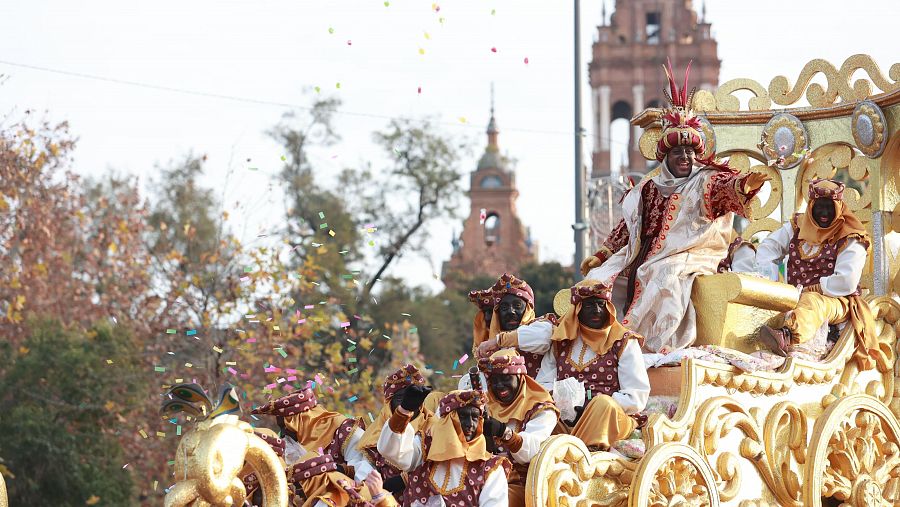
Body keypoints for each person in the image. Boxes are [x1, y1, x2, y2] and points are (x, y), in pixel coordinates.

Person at [580, 60, 770, 353]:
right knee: (597, 282)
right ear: (666, 157)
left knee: (664, 276)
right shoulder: (648, 187)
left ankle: (655, 349)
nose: (685, 157)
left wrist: (744, 185)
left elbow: (724, 191)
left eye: (690, 152)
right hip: (643, 259)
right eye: (678, 152)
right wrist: (602, 255)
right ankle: (595, 351)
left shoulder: (705, 181)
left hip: (691, 257)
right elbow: (627, 228)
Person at [756, 179, 888, 371]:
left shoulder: (851, 236)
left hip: (838, 300)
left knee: (812, 302)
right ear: (811, 207)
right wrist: (774, 284)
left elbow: (847, 282)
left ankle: (787, 336)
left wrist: (813, 289)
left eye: (829, 208)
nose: (824, 213)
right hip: (795, 295)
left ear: (839, 207)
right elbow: (768, 248)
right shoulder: (797, 226)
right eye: (820, 207)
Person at [512, 280, 650, 450]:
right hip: (566, 419)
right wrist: (565, 405)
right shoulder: (561, 341)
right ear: (577, 309)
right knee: (542, 409)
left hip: (608, 421)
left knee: (602, 405)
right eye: (590, 305)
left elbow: (636, 397)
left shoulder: (624, 341)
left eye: (601, 305)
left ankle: (578, 453)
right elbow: (544, 386)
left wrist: (588, 405)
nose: (597, 311)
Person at [377, 389, 511, 506]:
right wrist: (404, 410)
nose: (470, 424)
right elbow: (392, 451)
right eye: (463, 416)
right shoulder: (425, 452)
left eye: (475, 417)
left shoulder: (490, 468)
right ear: (447, 421)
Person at [478, 350, 559, 506]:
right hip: (481, 477)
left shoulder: (542, 408)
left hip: (522, 484)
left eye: (506, 378)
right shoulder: (484, 405)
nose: (499, 386)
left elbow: (530, 452)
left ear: (520, 378)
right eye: (494, 380)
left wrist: (504, 432)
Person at [251, 386, 373, 482]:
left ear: (303, 420)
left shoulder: (345, 430)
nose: (283, 436)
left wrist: (335, 470)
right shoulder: (295, 446)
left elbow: (365, 470)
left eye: (287, 428)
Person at [356, 364, 435, 498]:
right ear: (389, 404)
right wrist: (374, 487)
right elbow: (366, 466)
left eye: (411, 399)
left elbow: (435, 467)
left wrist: (405, 479)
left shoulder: (433, 427)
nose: (405, 404)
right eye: (400, 400)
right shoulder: (377, 429)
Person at [474, 273, 545, 377]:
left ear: (528, 309)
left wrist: (498, 341)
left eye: (517, 305)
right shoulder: (491, 349)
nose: (511, 312)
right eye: (504, 308)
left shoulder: (542, 327)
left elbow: (542, 338)